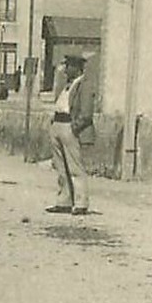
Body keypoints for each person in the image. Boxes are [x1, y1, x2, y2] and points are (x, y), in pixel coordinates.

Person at [47, 53, 94, 214]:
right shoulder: (67, 85)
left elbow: (87, 113)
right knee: (61, 166)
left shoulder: (84, 85)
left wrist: (74, 128)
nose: (66, 70)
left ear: (77, 68)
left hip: (70, 126)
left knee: (75, 167)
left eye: (69, 66)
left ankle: (81, 203)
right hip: (58, 124)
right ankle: (64, 201)